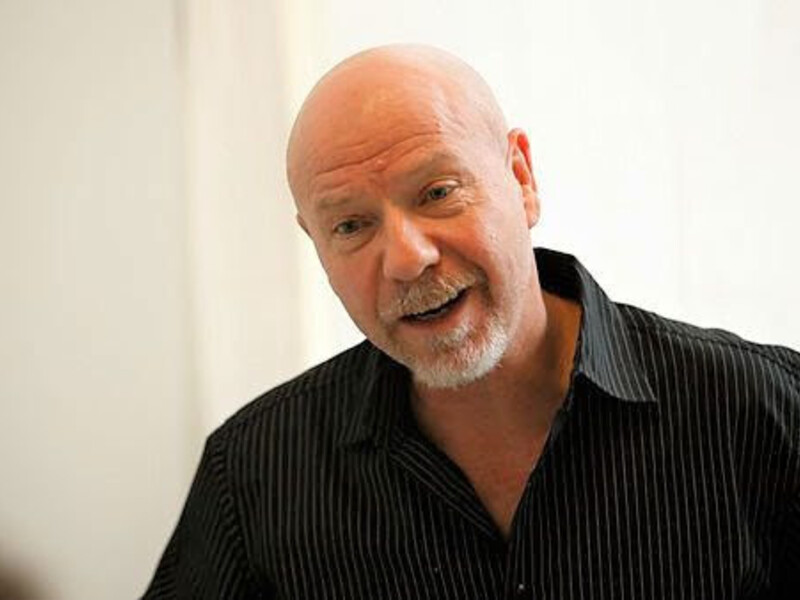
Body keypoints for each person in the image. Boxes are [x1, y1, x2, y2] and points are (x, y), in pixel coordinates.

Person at [142, 45, 800, 599]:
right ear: (315, 243)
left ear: (521, 178)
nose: (405, 259)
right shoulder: (255, 473)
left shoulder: (763, 411)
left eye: (437, 192)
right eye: (350, 224)